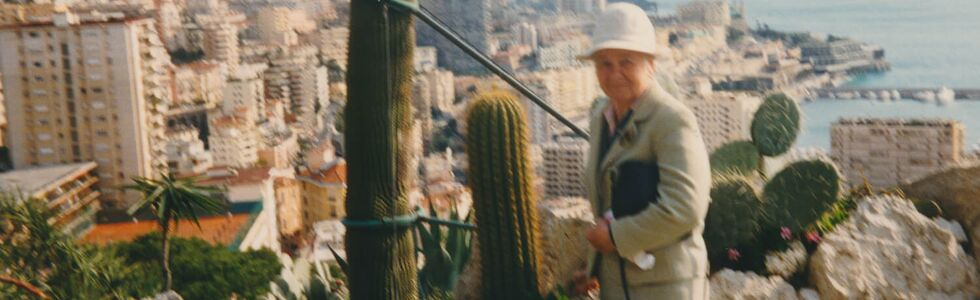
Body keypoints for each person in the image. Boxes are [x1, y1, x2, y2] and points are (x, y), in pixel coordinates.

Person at [572, 3, 712, 299]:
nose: (615, 73)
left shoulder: (672, 119)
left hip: (669, 288)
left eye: (626, 61)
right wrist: (594, 267)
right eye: (605, 64)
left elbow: (685, 207)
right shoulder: (601, 119)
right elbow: (608, 204)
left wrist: (614, 237)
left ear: (651, 64)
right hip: (616, 287)